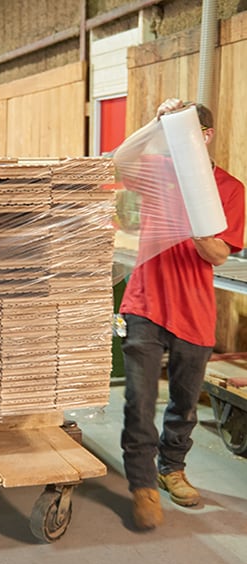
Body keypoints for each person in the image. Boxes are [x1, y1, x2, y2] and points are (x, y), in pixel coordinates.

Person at [118, 99, 245, 530]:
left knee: (185, 403)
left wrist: (193, 213)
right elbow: (119, 162)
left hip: (193, 310)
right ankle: (142, 485)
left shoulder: (230, 189)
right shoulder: (158, 173)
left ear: (204, 136)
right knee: (139, 401)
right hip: (145, 303)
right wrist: (154, 125)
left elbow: (218, 254)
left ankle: (171, 468)